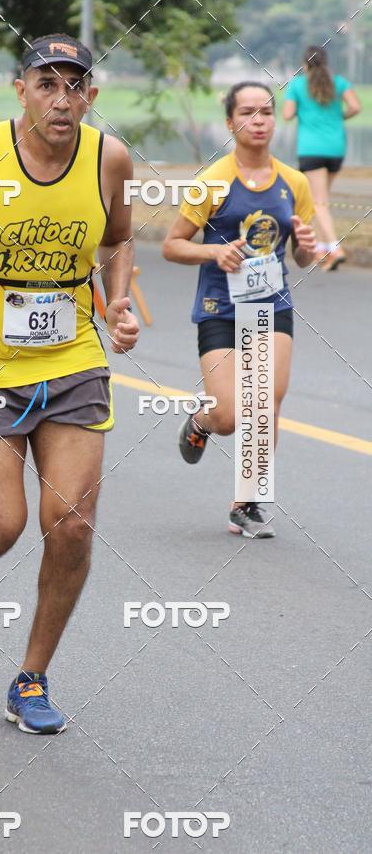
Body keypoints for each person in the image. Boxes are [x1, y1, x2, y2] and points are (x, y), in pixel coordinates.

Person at [0, 34, 139, 734]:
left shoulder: (111, 159)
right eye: (47, 83)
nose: (62, 99)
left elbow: (120, 239)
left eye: (75, 86)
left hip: (73, 359)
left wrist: (121, 300)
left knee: (71, 526)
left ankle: (31, 680)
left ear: (91, 96)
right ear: (22, 90)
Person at [163, 82, 317, 538]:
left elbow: (302, 257)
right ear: (231, 122)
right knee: (230, 415)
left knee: (266, 401)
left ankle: (247, 503)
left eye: (266, 112)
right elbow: (173, 246)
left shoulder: (296, 182)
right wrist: (213, 253)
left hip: (271, 304)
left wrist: (306, 248)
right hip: (219, 308)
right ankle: (201, 422)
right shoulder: (212, 181)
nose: (259, 120)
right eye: (248, 112)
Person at [282, 45, 361, 271]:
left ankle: (336, 248)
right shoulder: (338, 82)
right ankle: (322, 249)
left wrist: (303, 111)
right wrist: (338, 117)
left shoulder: (297, 85)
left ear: (304, 64)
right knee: (320, 199)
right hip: (336, 148)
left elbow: (287, 115)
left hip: (311, 149)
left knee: (318, 202)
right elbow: (356, 106)